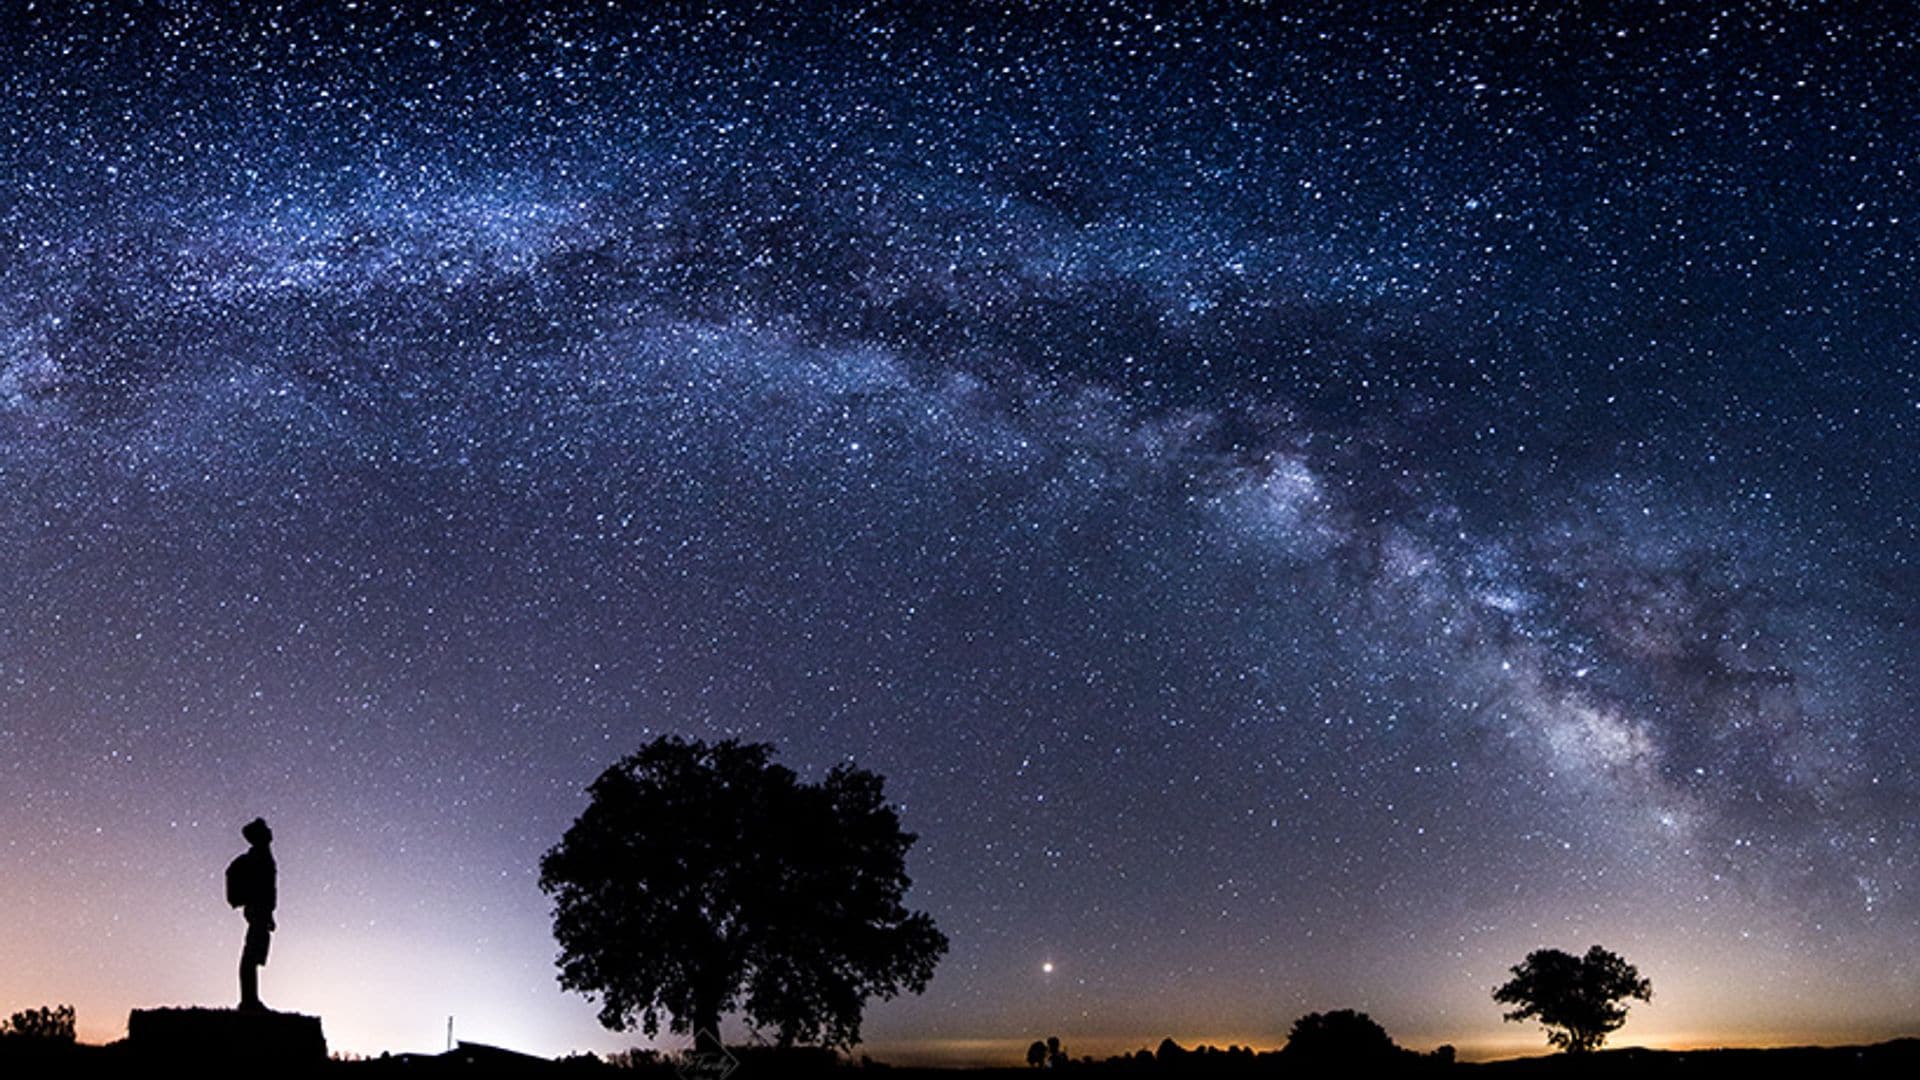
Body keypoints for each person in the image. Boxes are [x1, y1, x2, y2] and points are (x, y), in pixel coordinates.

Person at [226, 817, 277, 1011]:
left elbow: (269, 888)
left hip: (261, 911)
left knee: (255, 954)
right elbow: (262, 887)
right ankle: (249, 1001)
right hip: (256, 910)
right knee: (251, 955)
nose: (270, 831)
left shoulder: (263, 855)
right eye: (265, 829)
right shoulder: (257, 857)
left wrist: (270, 914)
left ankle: (251, 999)